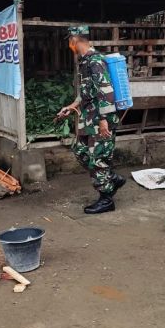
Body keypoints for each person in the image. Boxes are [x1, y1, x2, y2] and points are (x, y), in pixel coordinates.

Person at [57, 26, 126, 214]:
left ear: (75, 40)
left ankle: (106, 199)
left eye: (70, 41)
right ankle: (111, 178)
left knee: (99, 158)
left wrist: (104, 120)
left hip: (101, 118)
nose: (69, 45)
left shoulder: (95, 61)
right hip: (89, 118)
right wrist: (72, 106)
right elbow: (88, 92)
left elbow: (106, 91)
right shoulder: (85, 61)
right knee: (79, 150)